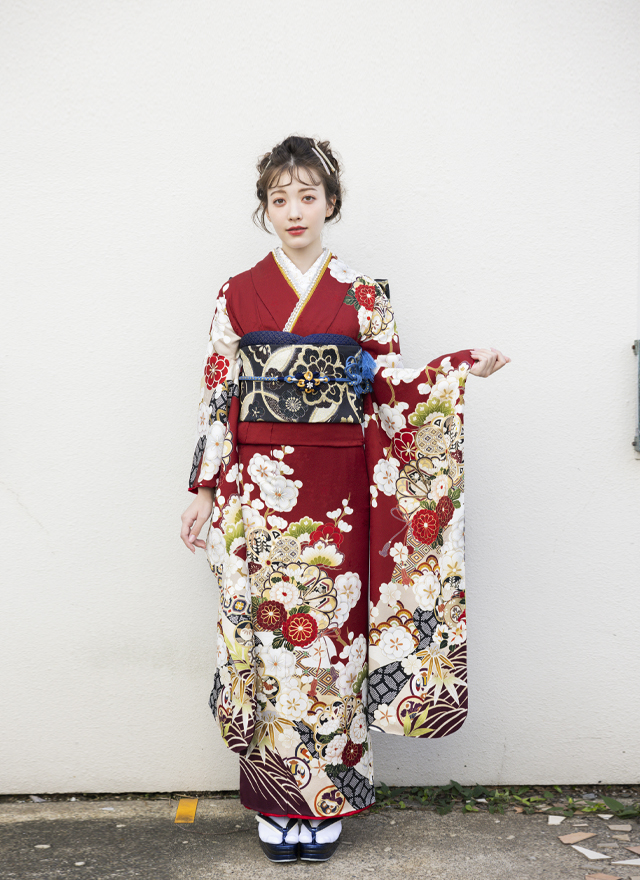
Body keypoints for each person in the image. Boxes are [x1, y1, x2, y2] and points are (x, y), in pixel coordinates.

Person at [180, 135, 510, 863]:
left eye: (308, 195)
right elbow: (217, 394)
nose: (294, 210)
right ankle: (276, 799)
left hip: (338, 494)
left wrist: (459, 369)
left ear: (331, 203)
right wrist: (203, 488)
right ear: (265, 210)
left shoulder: (364, 294)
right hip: (257, 492)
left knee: (332, 643)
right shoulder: (236, 292)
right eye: (280, 199)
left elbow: (390, 390)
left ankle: (326, 798)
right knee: (270, 640)